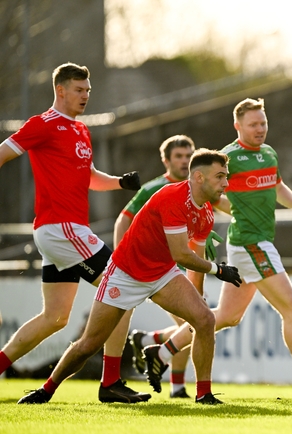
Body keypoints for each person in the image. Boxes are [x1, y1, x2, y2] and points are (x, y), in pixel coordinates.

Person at [140, 98, 292, 399]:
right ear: (237, 126)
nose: (260, 129)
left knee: (227, 316)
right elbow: (207, 195)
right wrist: (206, 228)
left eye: (263, 123)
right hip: (251, 243)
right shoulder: (228, 158)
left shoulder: (268, 153)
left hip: (255, 244)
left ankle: (162, 353)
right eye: (253, 124)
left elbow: (277, 185)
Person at [18, 149, 242, 405]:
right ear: (199, 177)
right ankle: (46, 390)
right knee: (89, 344)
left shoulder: (206, 213)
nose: (226, 183)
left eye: (226, 176)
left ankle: (204, 394)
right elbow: (182, 254)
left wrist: (198, 297)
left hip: (162, 274)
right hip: (125, 274)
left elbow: (194, 258)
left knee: (204, 319)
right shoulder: (172, 196)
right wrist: (219, 269)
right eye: (220, 176)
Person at [0, 62, 149, 404]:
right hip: (62, 229)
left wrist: (119, 183)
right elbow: (4, 153)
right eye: (79, 90)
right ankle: (110, 382)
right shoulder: (43, 124)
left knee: (55, 317)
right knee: (123, 289)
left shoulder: (81, 131)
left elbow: (89, 175)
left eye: (88, 91)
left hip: (63, 234)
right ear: (61, 90)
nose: (85, 96)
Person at [112, 134, 207, 399]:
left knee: (190, 325)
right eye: (178, 156)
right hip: (152, 270)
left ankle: (154, 347)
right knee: (193, 324)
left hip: (179, 268)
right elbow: (123, 219)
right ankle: (170, 378)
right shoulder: (153, 189)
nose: (184, 161)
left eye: (189, 156)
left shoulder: (199, 189)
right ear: (166, 160)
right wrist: (121, 256)